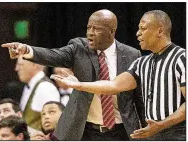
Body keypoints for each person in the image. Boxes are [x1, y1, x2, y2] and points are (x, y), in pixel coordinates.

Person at [2, 9, 145, 140]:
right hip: (87, 131)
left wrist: (146, 129)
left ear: (112, 31)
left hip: (123, 130)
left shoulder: (132, 54)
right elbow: (53, 55)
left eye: (96, 29)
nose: (90, 33)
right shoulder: (78, 48)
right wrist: (27, 50)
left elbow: (138, 97)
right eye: (89, 27)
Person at [51, 10, 186, 141]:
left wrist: (162, 125)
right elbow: (113, 85)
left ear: (160, 31)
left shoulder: (182, 58)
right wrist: (79, 85)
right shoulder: (141, 62)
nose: (138, 34)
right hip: (153, 134)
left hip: (178, 134)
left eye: (143, 28)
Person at [14, 56, 60, 132]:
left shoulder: (45, 87)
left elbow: (54, 123)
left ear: (35, 65)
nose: (16, 68)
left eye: (21, 65)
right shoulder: (30, 86)